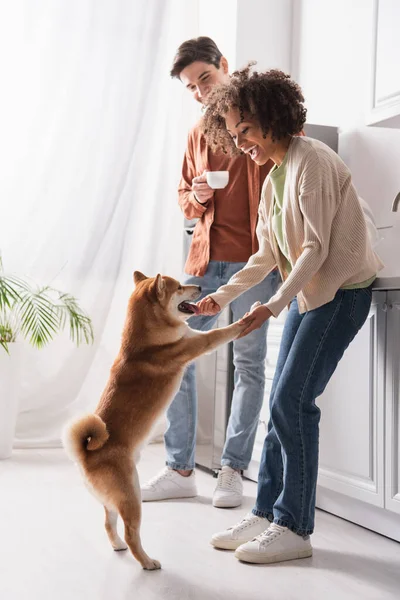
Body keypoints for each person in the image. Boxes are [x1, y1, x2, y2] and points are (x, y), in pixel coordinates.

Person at [196, 65, 384, 564]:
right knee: (282, 402)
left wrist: (272, 304)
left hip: (342, 293)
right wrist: (222, 296)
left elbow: (316, 249)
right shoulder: (275, 173)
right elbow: (265, 254)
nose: (241, 144)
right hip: (312, 295)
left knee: (290, 403)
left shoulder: (312, 161)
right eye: (234, 136)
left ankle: (294, 528)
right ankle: (266, 514)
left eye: (246, 131)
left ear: (271, 117)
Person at [141, 38, 279, 508]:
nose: (200, 92)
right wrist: (198, 195)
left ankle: (232, 470)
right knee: (173, 352)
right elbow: (184, 199)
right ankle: (180, 468)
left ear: (224, 65)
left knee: (248, 364)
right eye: (191, 87)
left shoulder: (259, 117)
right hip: (203, 261)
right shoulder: (198, 133)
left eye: (204, 78)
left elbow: (282, 175)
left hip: (255, 262)